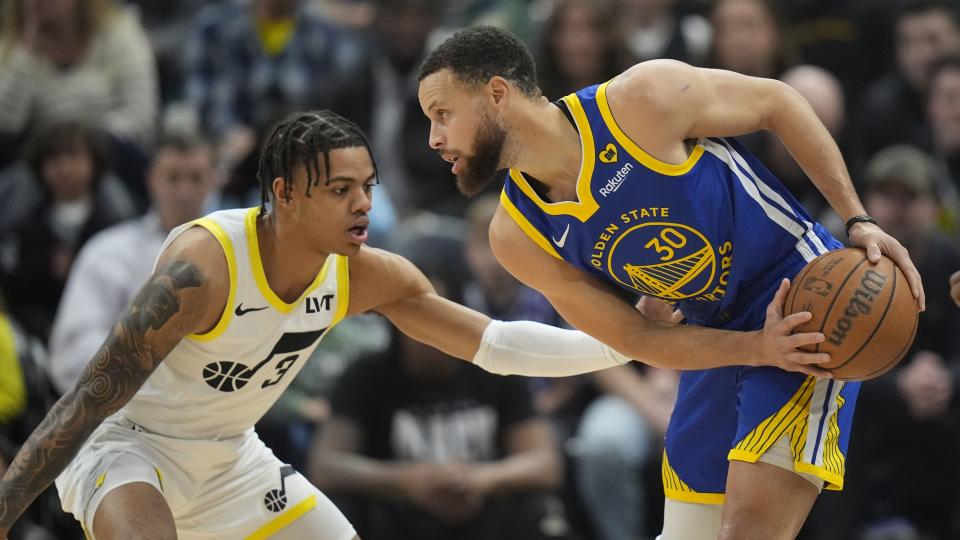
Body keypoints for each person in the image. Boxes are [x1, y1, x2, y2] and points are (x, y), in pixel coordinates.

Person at [0, 109, 766, 539]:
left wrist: (622, 335)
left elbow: (496, 347)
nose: (364, 204)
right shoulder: (205, 268)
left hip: (231, 458)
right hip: (128, 448)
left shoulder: (367, 271)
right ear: (285, 195)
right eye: (341, 190)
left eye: (367, 186)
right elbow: (88, 400)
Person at [416, 25, 925, 539]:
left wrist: (858, 220)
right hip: (718, 340)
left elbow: (778, 102)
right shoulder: (516, 235)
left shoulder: (640, 101)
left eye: (443, 114)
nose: (435, 139)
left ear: (497, 94)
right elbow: (637, 339)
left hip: (805, 302)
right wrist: (753, 347)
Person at [47, 133, 216, 394]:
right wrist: (155, 387)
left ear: (212, 182)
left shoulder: (234, 255)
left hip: (211, 410)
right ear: (152, 180)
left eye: (195, 178)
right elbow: (70, 356)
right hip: (124, 414)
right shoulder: (107, 252)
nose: (184, 191)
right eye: (173, 177)